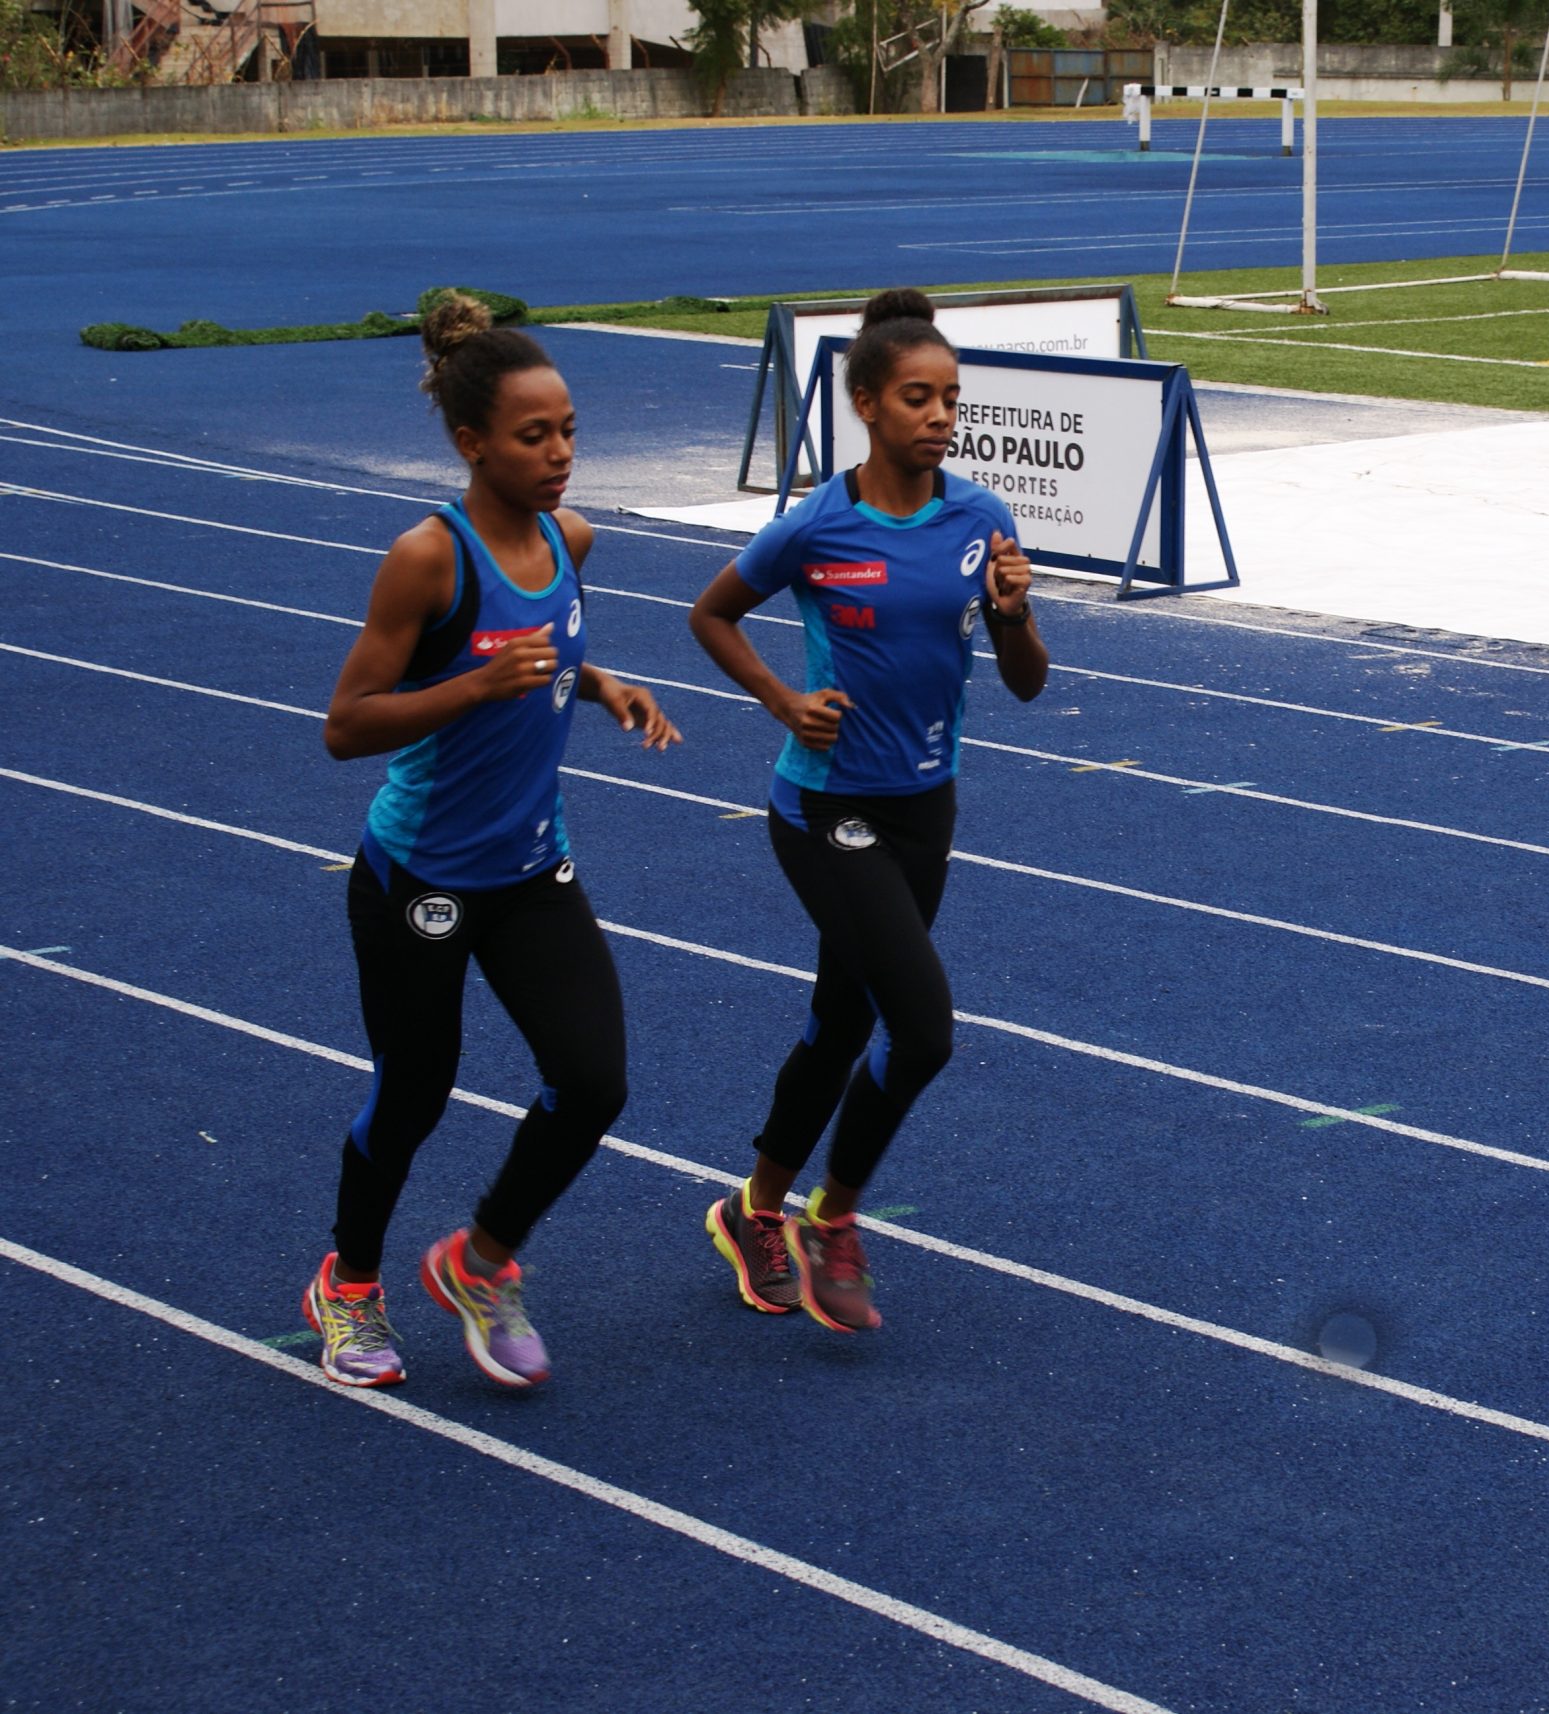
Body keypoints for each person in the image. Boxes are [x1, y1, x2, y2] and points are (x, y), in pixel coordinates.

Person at [300, 292, 680, 1390]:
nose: (560, 455)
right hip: (419, 874)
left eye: (568, 432)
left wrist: (599, 681)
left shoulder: (572, 537)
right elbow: (345, 725)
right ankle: (352, 1285)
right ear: (473, 444)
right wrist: (473, 685)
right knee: (416, 1091)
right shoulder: (428, 558)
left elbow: (549, 645)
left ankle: (481, 1259)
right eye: (533, 436)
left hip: (529, 869)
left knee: (593, 1081)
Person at [689, 287, 1048, 1333]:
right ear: (864, 405)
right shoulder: (817, 522)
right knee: (922, 1029)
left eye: (950, 399)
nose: (940, 416)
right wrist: (782, 699)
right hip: (822, 807)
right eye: (917, 398)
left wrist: (1017, 614)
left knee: (842, 1018)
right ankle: (831, 1217)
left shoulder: (981, 520)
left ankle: (753, 1206)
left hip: (924, 807)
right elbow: (711, 614)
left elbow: (1024, 680)